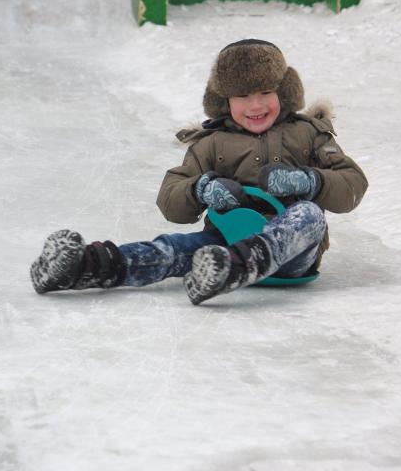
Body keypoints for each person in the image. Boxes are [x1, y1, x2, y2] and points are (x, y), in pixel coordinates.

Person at [30, 39, 368, 305]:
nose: (256, 106)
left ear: (284, 91)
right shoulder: (212, 143)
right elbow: (170, 198)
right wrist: (201, 190)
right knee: (171, 249)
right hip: (225, 245)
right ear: (224, 100)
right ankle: (81, 267)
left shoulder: (308, 133)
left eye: (266, 92)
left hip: (292, 255)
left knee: (308, 215)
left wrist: (310, 181)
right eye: (242, 96)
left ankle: (237, 267)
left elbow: (353, 184)